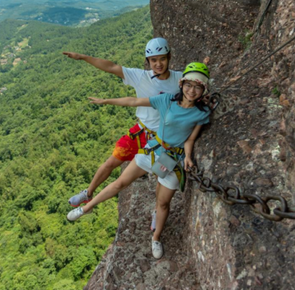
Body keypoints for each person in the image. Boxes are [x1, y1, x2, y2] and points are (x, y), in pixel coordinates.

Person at [67, 62, 211, 259]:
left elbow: (191, 138)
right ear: (181, 84)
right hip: (152, 151)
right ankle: (86, 208)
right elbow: (135, 102)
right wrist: (107, 101)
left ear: (203, 89)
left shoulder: (202, 113)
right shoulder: (167, 100)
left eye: (197, 87)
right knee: (121, 183)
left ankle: (156, 238)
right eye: (189, 85)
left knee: (163, 204)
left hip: (172, 160)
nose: (192, 91)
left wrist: (187, 156)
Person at [63, 38, 182, 228]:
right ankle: (88, 193)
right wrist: (83, 57)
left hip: (162, 139)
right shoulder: (140, 76)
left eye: (162, 59)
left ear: (169, 58)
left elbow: (197, 85)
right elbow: (111, 67)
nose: (158, 64)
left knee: (160, 177)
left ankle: (155, 212)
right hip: (140, 131)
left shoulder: (179, 79)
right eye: (153, 60)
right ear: (148, 61)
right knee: (111, 162)